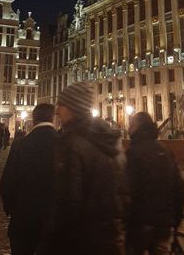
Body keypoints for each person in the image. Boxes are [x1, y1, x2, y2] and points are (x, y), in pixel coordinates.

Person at [45, 83, 127, 255]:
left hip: (80, 242)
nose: (57, 111)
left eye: (61, 105)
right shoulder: (111, 142)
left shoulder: (71, 144)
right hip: (108, 240)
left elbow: (67, 204)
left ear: (73, 107)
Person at [0, 103, 58, 255]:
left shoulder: (21, 144)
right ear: (53, 118)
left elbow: (6, 184)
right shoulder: (63, 144)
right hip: (53, 224)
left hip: (23, 220)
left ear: (33, 119)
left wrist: (14, 209)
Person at [126, 112, 184, 255]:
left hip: (140, 225)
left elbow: (128, 191)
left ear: (137, 128)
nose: (129, 129)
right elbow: (180, 190)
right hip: (164, 225)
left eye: (131, 125)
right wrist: (175, 221)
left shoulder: (133, 153)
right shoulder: (165, 151)